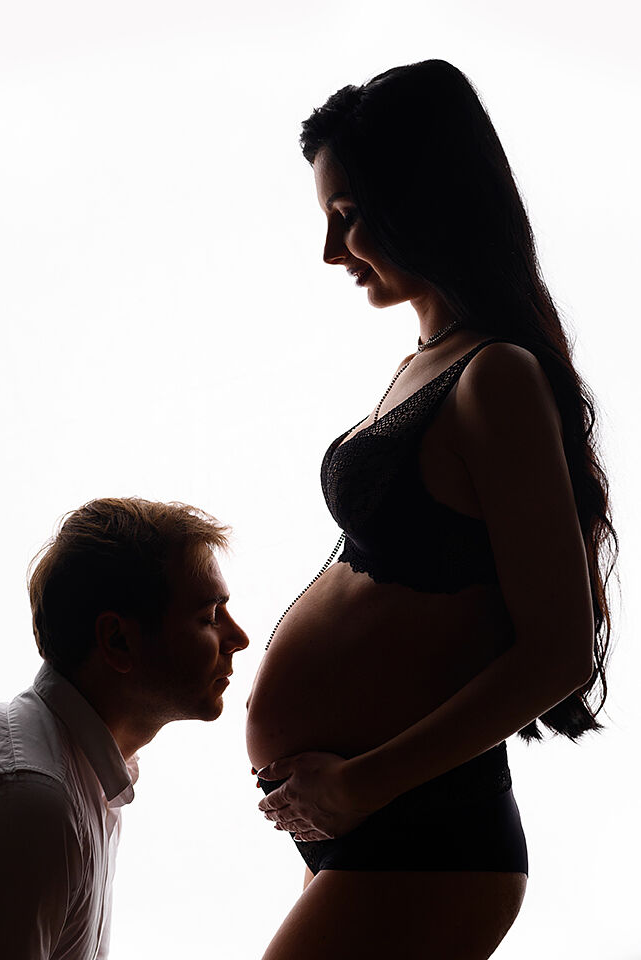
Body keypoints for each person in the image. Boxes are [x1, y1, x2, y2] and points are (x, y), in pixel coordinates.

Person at [246, 60, 617, 959]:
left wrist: (360, 786)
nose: (331, 251)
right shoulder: (427, 361)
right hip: (373, 825)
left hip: (425, 830)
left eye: (347, 215)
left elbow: (559, 650)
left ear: (421, 200)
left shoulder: (496, 375)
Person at [0, 497, 249, 959]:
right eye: (208, 617)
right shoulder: (31, 804)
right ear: (118, 640)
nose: (239, 638)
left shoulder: (86, 777)